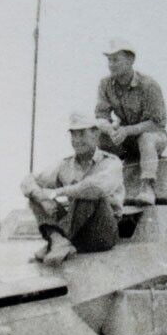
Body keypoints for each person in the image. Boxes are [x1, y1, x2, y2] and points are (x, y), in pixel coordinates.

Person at [21, 113, 124, 265]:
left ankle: (58, 240)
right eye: (73, 135)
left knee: (87, 193)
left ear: (95, 134)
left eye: (82, 134)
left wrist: (56, 192)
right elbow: (28, 181)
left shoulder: (111, 162)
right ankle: (58, 240)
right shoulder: (65, 164)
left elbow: (95, 188)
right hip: (76, 230)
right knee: (35, 196)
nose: (76, 140)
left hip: (102, 232)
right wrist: (42, 198)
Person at [95, 39, 167, 206]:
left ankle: (147, 187)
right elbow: (101, 115)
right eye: (109, 60)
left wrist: (127, 130)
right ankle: (102, 185)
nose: (111, 65)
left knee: (146, 138)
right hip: (125, 139)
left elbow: (157, 123)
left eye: (116, 60)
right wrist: (109, 129)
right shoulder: (105, 84)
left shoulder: (149, 85)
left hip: (154, 137)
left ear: (130, 61)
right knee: (98, 136)